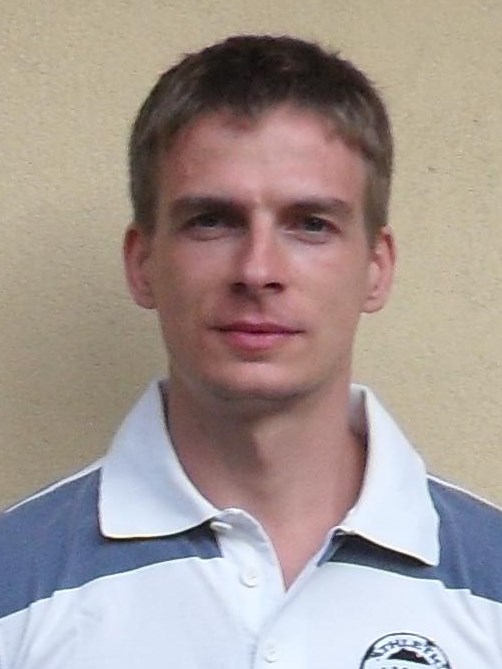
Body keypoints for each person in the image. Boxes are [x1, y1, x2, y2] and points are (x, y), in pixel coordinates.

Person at [1, 34, 501, 669]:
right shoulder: (15, 584)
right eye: (212, 221)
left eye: (311, 224)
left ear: (376, 268)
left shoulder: (490, 584)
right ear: (142, 263)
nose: (258, 270)